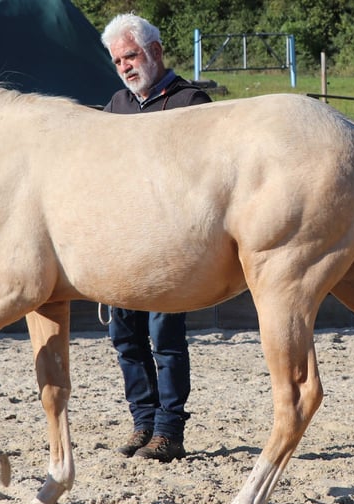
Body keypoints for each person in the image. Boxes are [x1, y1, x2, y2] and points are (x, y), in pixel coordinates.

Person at [100, 13, 212, 462]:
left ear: (156, 52)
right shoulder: (115, 107)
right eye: (118, 61)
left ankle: (170, 431)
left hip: (172, 244)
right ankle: (142, 422)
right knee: (124, 337)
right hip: (125, 244)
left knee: (165, 337)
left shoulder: (191, 103)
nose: (126, 66)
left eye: (131, 55)